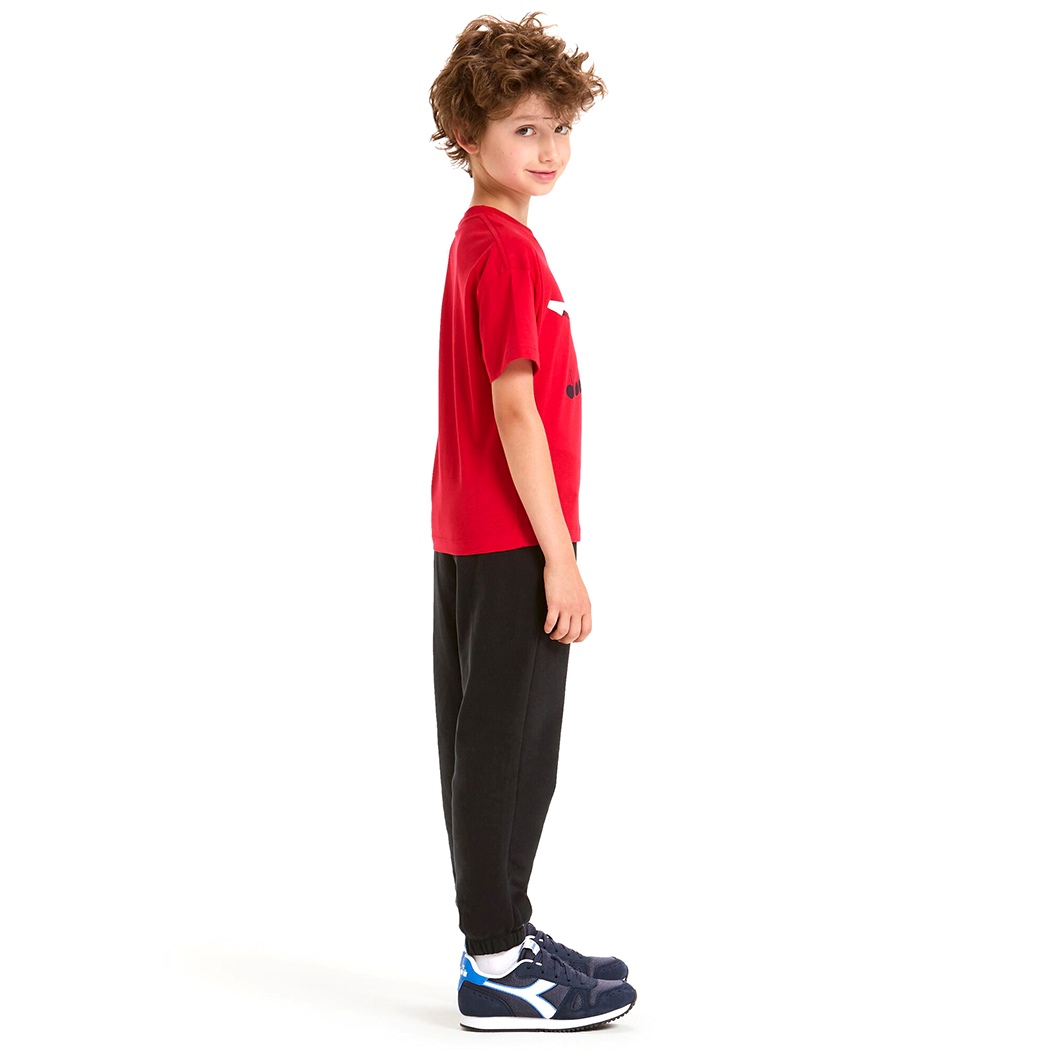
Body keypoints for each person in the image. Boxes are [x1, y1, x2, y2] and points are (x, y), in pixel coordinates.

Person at [428, 12, 637, 1032]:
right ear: (467, 135)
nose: (549, 149)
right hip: (514, 540)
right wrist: (562, 559)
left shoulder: (485, 241)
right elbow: (516, 410)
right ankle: (497, 968)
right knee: (510, 755)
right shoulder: (505, 252)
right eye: (524, 129)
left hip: (477, 534)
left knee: (493, 747)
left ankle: (504, 933)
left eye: (560, 128)